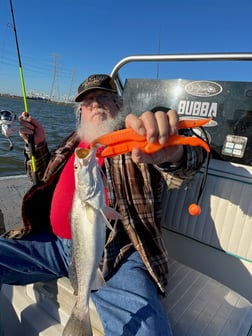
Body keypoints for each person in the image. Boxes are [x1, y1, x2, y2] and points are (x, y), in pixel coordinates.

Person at [0, 74, 205, 335]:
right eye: (87, 101)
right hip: (53, 244)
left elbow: (187, 165)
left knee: (148, 331)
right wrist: (38, 143)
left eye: (103, 98)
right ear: (80, 112)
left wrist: (172, 151)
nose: (94, 104)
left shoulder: (134, 142)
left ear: (119, 105)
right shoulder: (73, 142)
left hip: (115, 257)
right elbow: (40, 177)